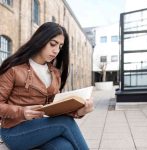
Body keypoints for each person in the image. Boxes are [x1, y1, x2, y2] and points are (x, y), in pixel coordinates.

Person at [0, 22, 94, 150]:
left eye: (60, 46)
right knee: (65, 122)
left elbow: (55, 107)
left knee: (65, 147)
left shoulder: (55, 73)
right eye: (52, 44)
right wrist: (21, 112)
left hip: (42, 127)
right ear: (40, 40)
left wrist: (79, 112)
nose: (56, 51)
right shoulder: (14, 68)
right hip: (14, 131)